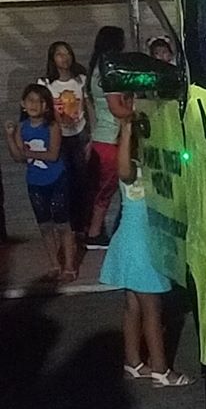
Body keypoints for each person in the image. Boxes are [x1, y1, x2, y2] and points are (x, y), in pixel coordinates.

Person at [100, 109, 192, 387]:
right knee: (152, 309)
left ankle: (133, 362)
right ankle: (161, 370)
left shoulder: (154, 165)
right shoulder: (132, 168)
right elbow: (123, 171)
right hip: (141, 244)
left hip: (132, 241)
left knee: (133, 306)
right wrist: (128, 128)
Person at [4, 84, 77, 282]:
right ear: (23, 103)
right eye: (30, 100)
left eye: (40, 101)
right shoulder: (22, 127)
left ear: (46, 106)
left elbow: (52, 155)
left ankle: (69, 266)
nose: (34, 104)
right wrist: (10, 137)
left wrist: (26, 152)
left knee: (63, 224)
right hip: (35, 182)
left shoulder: (52, 126)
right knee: (44, 225)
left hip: (56, 179)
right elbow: (17, 157)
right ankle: (54, 264)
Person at [38, 41, 90, 237]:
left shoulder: (80, 80)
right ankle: (64, 227)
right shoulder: (45, 83)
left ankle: (80, 227)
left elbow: (88, 107)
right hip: (58, 136)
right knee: (62, 181)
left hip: (79, 134)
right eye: (59, 54)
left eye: (67, 53)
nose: (64, 58)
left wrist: (91, 135)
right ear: (52, 59)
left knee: (80, 181)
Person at [85, 26, 127, 250]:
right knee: (106, 190)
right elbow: (117, 108)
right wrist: (137, 115)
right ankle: (94, 233)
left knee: (101, 188)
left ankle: (95, 231)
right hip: (111, 138)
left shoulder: (94, 70)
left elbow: (92, 107)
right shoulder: (109, 71)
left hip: (100, 137)